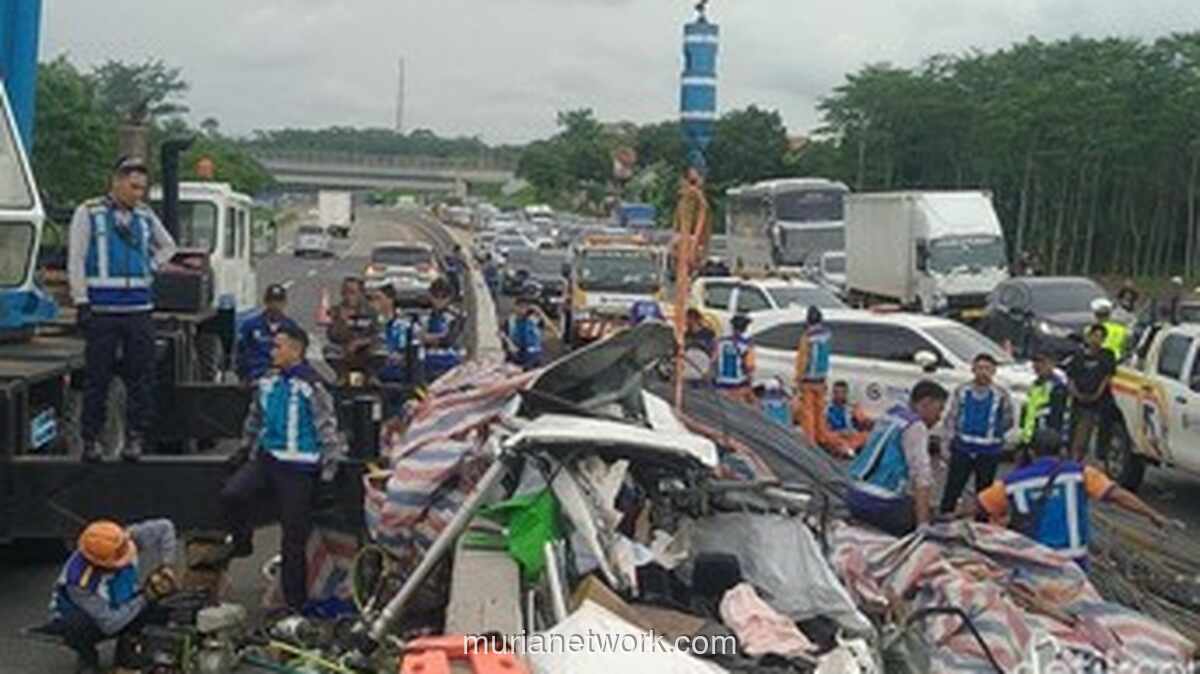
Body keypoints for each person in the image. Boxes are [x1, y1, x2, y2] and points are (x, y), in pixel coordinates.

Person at [221, 324, 346, 613]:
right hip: (269, 460)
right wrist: (245, 449)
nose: (272, 351)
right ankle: (242, 541)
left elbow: (326, 427)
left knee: (293, 537)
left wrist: (328, 472)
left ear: (296, 350)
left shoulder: (311, 386)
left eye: (279, 346)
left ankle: (294, 603)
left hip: (300, 469)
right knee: (232, 495)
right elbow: (255, 419)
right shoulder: (268, 382)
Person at [69, 156, 179, 462]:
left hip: (139, 308)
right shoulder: (89, 213)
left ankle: (135, 437)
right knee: (97, 378)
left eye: (142, 188)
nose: (138, 194)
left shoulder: (144, 216)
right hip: (103, 308)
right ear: (116, 182)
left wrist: (151, 264)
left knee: (141, 376)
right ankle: (90, 439)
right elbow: (76, 259)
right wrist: (81, 301)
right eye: (133, 187)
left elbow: (169, 246)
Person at [976, 429, 1168, 569]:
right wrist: (1151, 514)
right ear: (1062, 451)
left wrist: (950, 517)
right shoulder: (1081, 474)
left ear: (1032, 452)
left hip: (1033, 560)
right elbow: (1117, 495)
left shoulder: (1012, 482)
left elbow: (979, 506)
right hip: (1073, 562)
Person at [45, 519, 177, 673]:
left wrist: (167, 566)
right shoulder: (78, 582)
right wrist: (146, 597)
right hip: (87, 616)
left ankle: (128, 650)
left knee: (163, 608)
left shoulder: (126, 540)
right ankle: (87, 657)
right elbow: (110, 624)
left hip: (121, 601)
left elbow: (165, 528)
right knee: (75, 626)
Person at [846, 381, 949, 537]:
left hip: (854, 495)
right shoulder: (915, 426)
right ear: (926, 403)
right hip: (880, 503)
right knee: (932, 519)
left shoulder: (890, 414)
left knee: (914, 503)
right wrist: (923, 525)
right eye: (939, 410)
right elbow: (922, 477)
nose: (939, 417)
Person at [939, 353, 1015, 515]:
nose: (983, 372)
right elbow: (951, 418)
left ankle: (982, 524)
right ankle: (944, 518)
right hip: (962, 448)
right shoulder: (962, 391)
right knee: (953, 488)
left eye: (987, 368)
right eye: (979, 368)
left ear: (994, 371)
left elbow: (1008, 420)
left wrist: (996, 437)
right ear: (973, 369)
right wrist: (945, 445)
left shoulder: (1001, 394)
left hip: (988, 451)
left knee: (985, 492)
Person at [1065, 324, 1117, 461]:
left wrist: (1097, 394)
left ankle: (1082, 459)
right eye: (1094, 336)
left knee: (1085, 435)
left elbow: (1107, 377)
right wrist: (1075, 393)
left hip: (1096, 403)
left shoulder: (1107, 355)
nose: (1096, 340)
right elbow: (1070, 377)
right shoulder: (1078, 356)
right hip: (1078, 401)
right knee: (1073, 434)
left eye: (1100, 337)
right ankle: (1072, 460)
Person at [237, 284, 301, 382]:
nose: (275, 305)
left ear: (285, 303)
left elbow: (297, 357)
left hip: (283, 378)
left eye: (279, 301)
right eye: (271, 301)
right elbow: (241, 354)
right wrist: (246, 377)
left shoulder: (291, 327)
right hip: (256, 377)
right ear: (266, 302)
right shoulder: (251, 325)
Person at [792, 307, 835, 449]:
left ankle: (810, 441)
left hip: (808, 380)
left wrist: (798, 378)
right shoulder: (826, 335)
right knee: (820, 410)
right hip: (821, 378)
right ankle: (821, 437)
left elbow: (803, 359)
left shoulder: (807, 337)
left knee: (808, 412)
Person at [326, 276, 378, 383]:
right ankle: (342, 376)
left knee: (380, 350)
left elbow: (378, 334)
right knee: (329, 350)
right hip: (344, 350)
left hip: (366, 350)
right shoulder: (336, 311)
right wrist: (341, 322)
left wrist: (360, 342)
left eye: (352, 292)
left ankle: (372, 376)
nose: (348, 296)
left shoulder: (371, 312)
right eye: (345, 292)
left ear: (361, 294)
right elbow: (332, 336)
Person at [1020, 350, 1069, 463]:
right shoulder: (1035, 385)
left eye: (1042, 362)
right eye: (1035, 362)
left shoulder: (1057, 388)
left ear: (1052, 364)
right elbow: (1029, 413)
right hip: (1030, 441)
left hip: (1046, 445)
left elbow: (1059, 418)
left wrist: (1061, 444)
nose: (1037, 365)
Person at [371, 284, 424, 387]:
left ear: (390, 300)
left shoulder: (404, 323)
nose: (374, 303)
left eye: (378, 298)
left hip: (400, 371)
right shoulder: (373, 322)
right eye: (373, 299)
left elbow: (407, 349)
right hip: (375, 368)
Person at [423, 277, 466, 382]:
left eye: (443, 297)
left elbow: (449, 339)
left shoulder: (456, 316)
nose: (439, 300)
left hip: (448, 362)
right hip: (427, 361)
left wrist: (429, 338)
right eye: (436, 296)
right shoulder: (425, 314)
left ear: (449, 298)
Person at [712, 314, 757, 405]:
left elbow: (713, 360)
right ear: (745, 328)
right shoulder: (746, 345)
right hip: (738, 386)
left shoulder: (720, 342)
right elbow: (749, 367)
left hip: (720, 384)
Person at [825, 380, 871, 456]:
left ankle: (846, 450)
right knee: (826, 437)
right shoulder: (826, 407)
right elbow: (823, 427)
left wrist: (866, 422)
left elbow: (863, 419)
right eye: (836, 392)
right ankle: (848, 450)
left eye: (842, 392)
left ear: (846, 393)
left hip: (850, 434)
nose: (839, 395)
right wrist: (838, 433)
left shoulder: (852, 406)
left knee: (865, 435)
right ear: (833, 393)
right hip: (835, 435)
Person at [504, 293, 546, 370]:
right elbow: (506, 339)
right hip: (517, 356)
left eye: (525, 307)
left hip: (532, 356)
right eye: (520, 306)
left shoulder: (533, 320)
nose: (522, 309)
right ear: (515, 307)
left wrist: (539, 312)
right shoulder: (510, 321)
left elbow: (547, 326)